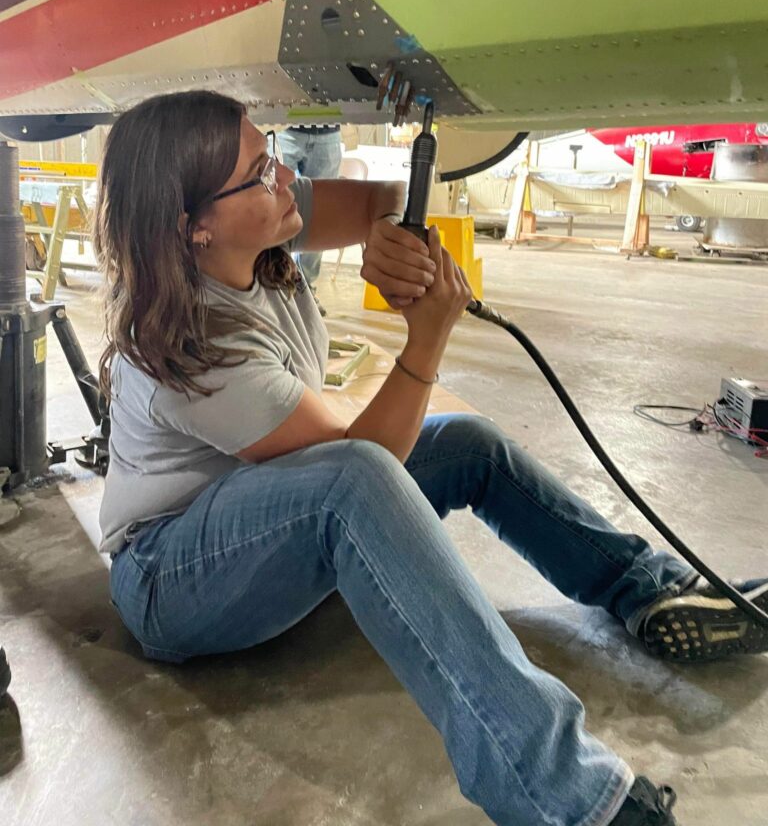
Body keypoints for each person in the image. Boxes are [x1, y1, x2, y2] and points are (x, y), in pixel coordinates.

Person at [93, 90, 767, 826]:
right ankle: (569, 800)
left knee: (464, 444)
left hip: (262, 519)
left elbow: (377, 198)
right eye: (259, 174)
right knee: (354, 481)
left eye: (274, 156)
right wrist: (427, 338)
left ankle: (651, 592)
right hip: (173, 579)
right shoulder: (190, 344)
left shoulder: (262, 219)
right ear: (192, 227)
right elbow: (365, 462)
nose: (285, 178)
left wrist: (393, 234)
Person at [277, 124, 343, 312]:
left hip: (328, 131)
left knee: (318, 217)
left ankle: (306, 291)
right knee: (275, 209)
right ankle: (275, 287)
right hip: (285, 127)